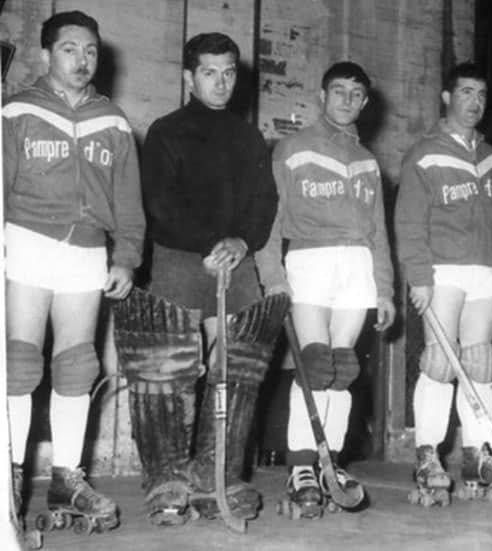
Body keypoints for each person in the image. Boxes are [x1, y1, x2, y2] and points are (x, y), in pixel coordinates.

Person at [113, 32, 283, 525]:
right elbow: (160, 204)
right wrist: (212, 242)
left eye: (229, 72)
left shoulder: (249, 136)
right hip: (182, 257)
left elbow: (264, 201)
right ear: (189, 77)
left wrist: (241, 243)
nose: (221, 82)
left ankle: (217, 475)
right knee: (171, 368)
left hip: (236, 259)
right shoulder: (166, 131)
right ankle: (167, 479)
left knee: (240, 365)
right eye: (210, 72)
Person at [3, 10, 144, 529]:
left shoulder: (114, 120)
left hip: (87, 250)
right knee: (18, 364)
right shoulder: (17, 111)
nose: (81, 60)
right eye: (69, 49)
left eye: (89, 51)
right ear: (45, 54)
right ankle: (9, 475)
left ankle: (66, 478)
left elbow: (129, 201)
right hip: (27, 240)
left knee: (77, 366)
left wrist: (126, 255)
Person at [255, 61, 395, 517]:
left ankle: (329, 460)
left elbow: (378, 231)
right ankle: (300, 466)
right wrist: (273, 276)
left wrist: (386, 289)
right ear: (321, 94)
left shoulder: (368, 162)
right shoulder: (292, 149)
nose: (347, 101)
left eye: (356, 94)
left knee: (343, 367)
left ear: (365, 101)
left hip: (356, 265)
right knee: (313, 365)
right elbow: (269, 222)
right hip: (310, 259)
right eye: (339, 91)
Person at [396, 62, 492, 506]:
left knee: (480, 362)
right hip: (441, 269)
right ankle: (426, 453)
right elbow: (408, 222)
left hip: (483, 267)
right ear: (447, 98)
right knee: (440, 364)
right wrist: (419, 278)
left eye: (480, 94)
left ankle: (477, 453)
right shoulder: (423, 153)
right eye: (465, 92)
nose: (475, 102)